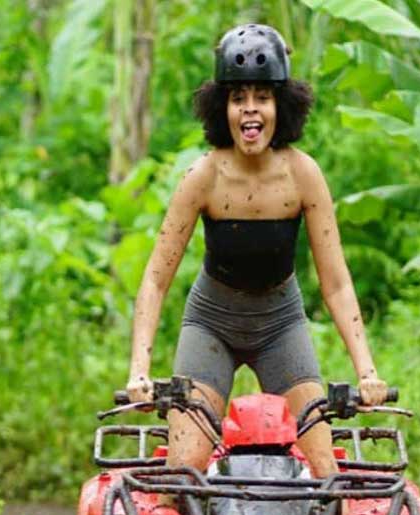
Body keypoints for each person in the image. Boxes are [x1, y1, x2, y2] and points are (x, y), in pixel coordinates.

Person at [126, 24, 387, 485]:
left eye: (262, 97)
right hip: (212, 323)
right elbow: (155, 279)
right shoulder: (203, 177)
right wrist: (140, 370)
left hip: (280, 324)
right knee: (183, 469)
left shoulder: (303, 176)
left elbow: (337, 283)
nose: (250, 110)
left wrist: (367, 372)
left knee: (326, 471)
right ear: (221, 107)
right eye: (238, 97)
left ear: (280, 107)